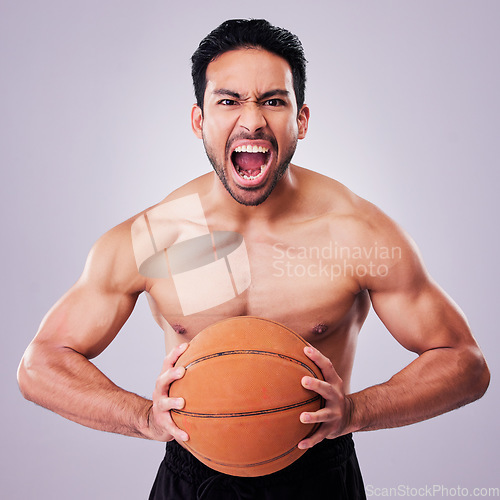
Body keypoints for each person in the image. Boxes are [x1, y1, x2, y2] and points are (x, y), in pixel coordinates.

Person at [18, 19, 489, 500]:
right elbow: (41, 364)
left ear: (300, 120)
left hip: (319, 473)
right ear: (200, 120)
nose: (252, 121)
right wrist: (142, 417)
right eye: (228, 100)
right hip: (192, 476)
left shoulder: (357, 232)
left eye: (272, 100)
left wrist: (356, 412)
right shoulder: (155, 238)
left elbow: (464, 362)